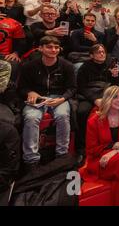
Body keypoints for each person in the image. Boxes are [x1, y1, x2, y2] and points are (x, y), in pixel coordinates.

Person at [18, 36, 76, 171]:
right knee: (31, 118)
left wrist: (62, 99)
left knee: (62, 116)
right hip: (37, 98)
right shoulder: (29, 66)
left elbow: (72, 89)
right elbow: (21, 88)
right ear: (40, 48)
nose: (53, 50)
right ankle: (31, 161)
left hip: (59, 98)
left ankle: (62, 155)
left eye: (56, 47)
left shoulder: (67, 65)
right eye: (49, 47)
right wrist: (30, 92)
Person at [75, 44, 119, 166]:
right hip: (89, 95)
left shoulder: (111, 65)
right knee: (82, 112)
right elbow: (81, 87)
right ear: (91, 55)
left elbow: (117, 86)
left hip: (107, 94)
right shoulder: (84, 67)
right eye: (98, 52)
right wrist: (95, 99)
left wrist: (115, 76)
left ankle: (114, 143)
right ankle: (81, 148)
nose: (101, 54)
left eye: (103, 52)